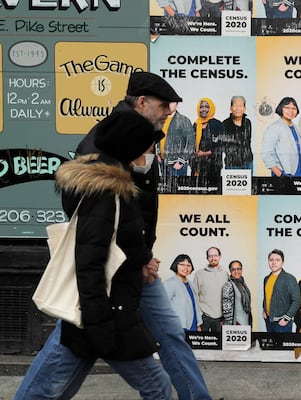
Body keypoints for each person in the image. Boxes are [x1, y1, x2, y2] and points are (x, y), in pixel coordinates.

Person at [18, 72, 212, 400]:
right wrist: (132, 259)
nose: (168, 111)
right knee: (77, 338)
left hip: (132, 270)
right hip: (109, 276)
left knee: (165, 336)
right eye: (164, 105)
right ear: (142, 103)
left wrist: (142, 258)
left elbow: (135, 215)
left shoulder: (139, 138)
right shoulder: (110, 145)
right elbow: (93, 226)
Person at [19, 111, 172, 399]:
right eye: (149, 149)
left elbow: (122, 238)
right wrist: (99, 325)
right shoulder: (106, 194)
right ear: (131, 149)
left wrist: (141, 261)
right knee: (157, 386)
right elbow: (89, 261)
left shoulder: (119, 187)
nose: (151, 156)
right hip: (105, 316)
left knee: (47, 393)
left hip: (105, 315)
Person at [261, 97, 301, 177]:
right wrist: (279, 174)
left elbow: (300, 151)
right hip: (283, 174)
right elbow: (266, 153)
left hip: (299, 173)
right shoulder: (275, 127)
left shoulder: (296, 127)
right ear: (281, 109)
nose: (291, 111)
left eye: (294, 108)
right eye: (287, 108)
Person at [191, 247, 230, 333]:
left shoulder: (226, 274)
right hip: (204, 318)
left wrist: (226, 318)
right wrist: (198, 319)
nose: (213, 258)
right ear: (207, 258)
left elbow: (229, 297)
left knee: (220, 345)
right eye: (210, 256)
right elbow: (194, 296)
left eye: (215, 255)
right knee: (204, 345)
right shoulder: (199, 274)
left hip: (221, 319)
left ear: (220, 256)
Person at [262, 249, 301, 333]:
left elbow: (297, 301)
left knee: (283, 346)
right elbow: (267, 296)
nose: (274, 262)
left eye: (277, 260)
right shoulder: (266, 278)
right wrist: (264, 309)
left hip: (282, 323)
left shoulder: (289, 278)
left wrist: (286, 318)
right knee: (271, 345)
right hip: (269, 320)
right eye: (271, 260)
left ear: (282, 262)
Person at [163, 254, 202, 332]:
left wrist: (198, 324)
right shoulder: (170, 283)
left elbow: (195, 305)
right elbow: (163, 307)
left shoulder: (190, 283)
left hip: (192, 324)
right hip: (178, 326)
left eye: (188, 265)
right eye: (182, 264)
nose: (186, 268)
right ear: (176, 265)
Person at [192, 97, 224, 186]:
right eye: (201, 107)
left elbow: (221, 145)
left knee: (212, 191)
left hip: (213, 165)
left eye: (207, 107)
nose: (204, 109)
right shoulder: (195, 124)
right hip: (197, 165)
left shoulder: (217, 124)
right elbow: (191, 143)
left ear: (211, 108)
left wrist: (205, 153)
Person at [159, 107, 195, 178]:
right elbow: (157, 137)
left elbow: (191, 143)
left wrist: (181, 161)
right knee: (165, 188)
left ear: (176, 104)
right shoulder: (161, 120)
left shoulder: (184, 120)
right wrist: (157, 153)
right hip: (163, 163)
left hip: (177, 164)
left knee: (177, 188)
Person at [220, 96, 254, 171]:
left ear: (244, 108)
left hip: (248, 162)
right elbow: (223, 145)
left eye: (240, 105)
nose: (238, 108)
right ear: (231, 108)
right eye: (235, 105)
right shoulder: (225, 124)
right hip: (232, 164)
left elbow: (248, 140)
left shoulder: (247, 122)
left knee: (250, 182)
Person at [222, 260, 253, 326]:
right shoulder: (228, 285)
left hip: (246, 321)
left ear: (241, 269)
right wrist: (232, 325)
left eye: (238, 269)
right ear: (230, 271)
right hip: (236, 323)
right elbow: (226, 308)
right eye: (233, 269)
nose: (236, 271)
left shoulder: (243, 283)